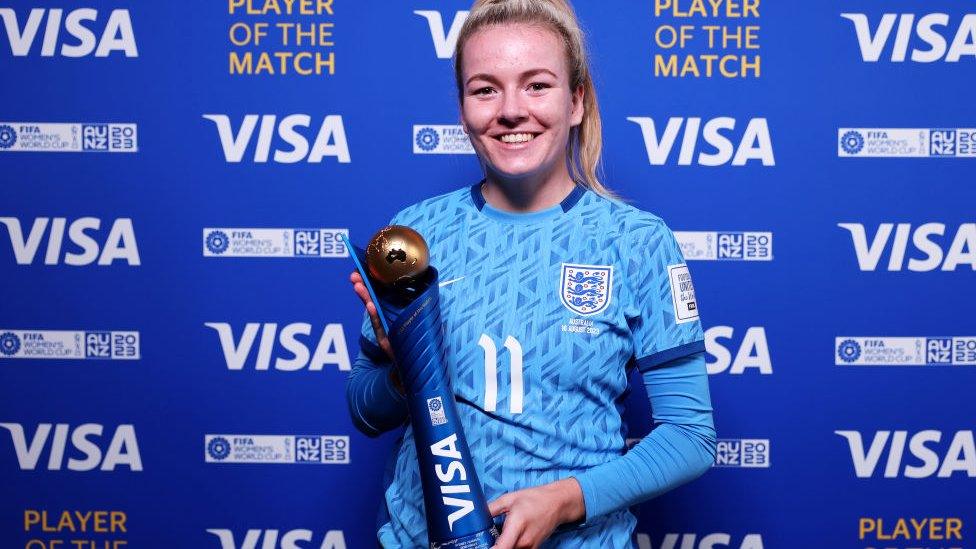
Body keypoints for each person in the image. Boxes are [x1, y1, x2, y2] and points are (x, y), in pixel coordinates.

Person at [347, 0, 716, 547]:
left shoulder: (637, 242)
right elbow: (365, 407)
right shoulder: (414, 235)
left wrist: (566, 499)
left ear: (577, 102)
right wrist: (406, 370)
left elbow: (690, 437)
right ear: (463, 107)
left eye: (537, 85)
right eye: (485, 89)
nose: (511, 110)